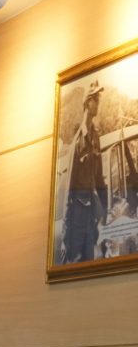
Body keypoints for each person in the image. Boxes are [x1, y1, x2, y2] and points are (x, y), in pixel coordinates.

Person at [62, 79, 108, 264]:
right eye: (96, 99)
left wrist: (105, 213)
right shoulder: (77, 143)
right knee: (75, 267)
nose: (98, 103)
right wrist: (66, 233)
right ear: (88, 103)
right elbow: (68, 191)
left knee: (90, 266)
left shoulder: (96, 139)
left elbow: (100, 181)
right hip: (76, 221)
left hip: (90, 220)